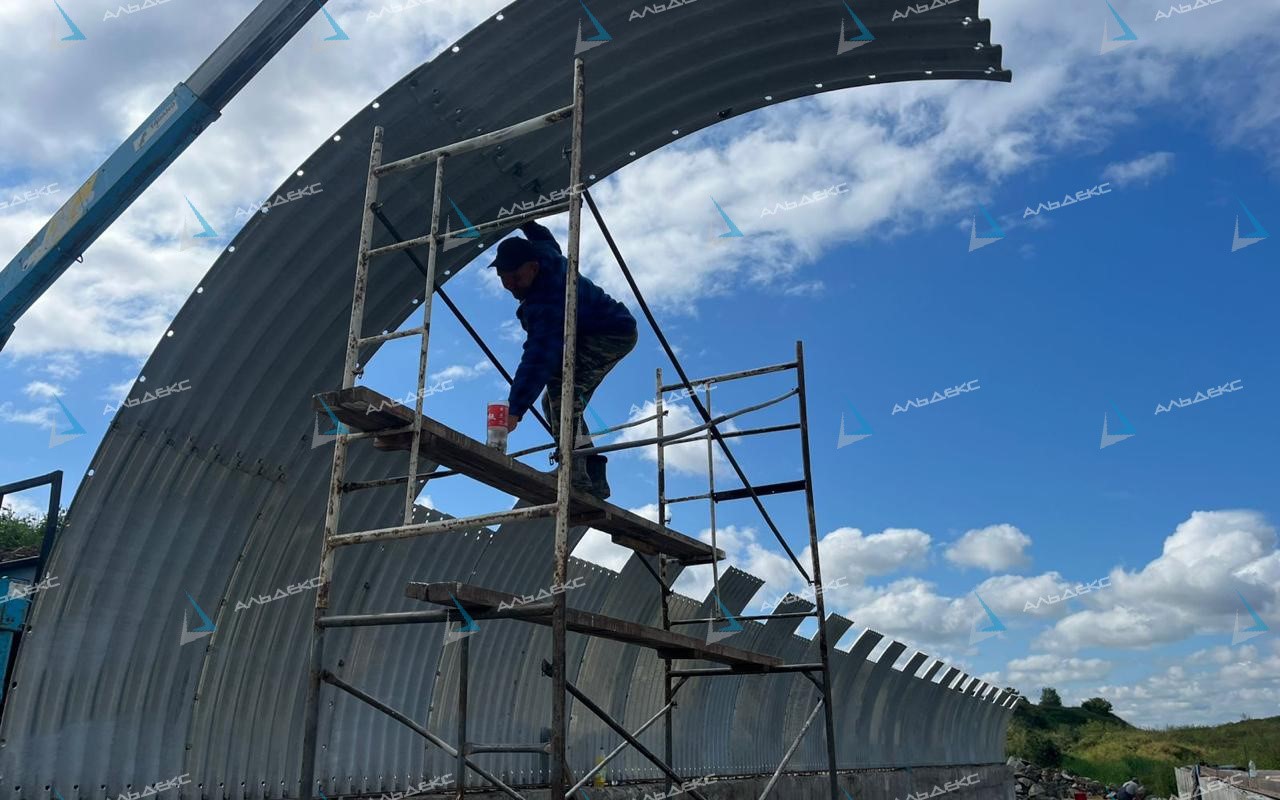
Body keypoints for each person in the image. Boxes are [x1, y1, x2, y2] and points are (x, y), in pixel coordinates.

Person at [490, 220, 637, 499]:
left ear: (533, 268)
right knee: (557, 401)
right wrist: (526, 221)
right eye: (503, 279)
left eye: (516, 278)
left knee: (562, 394)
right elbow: (544, 236)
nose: (510, 286)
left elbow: (539, 357)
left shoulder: (547, 303)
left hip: (611, 334)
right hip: (595, 331)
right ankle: (593, 473)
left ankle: (575, 475)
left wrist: (515, 409)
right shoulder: (545, 253)